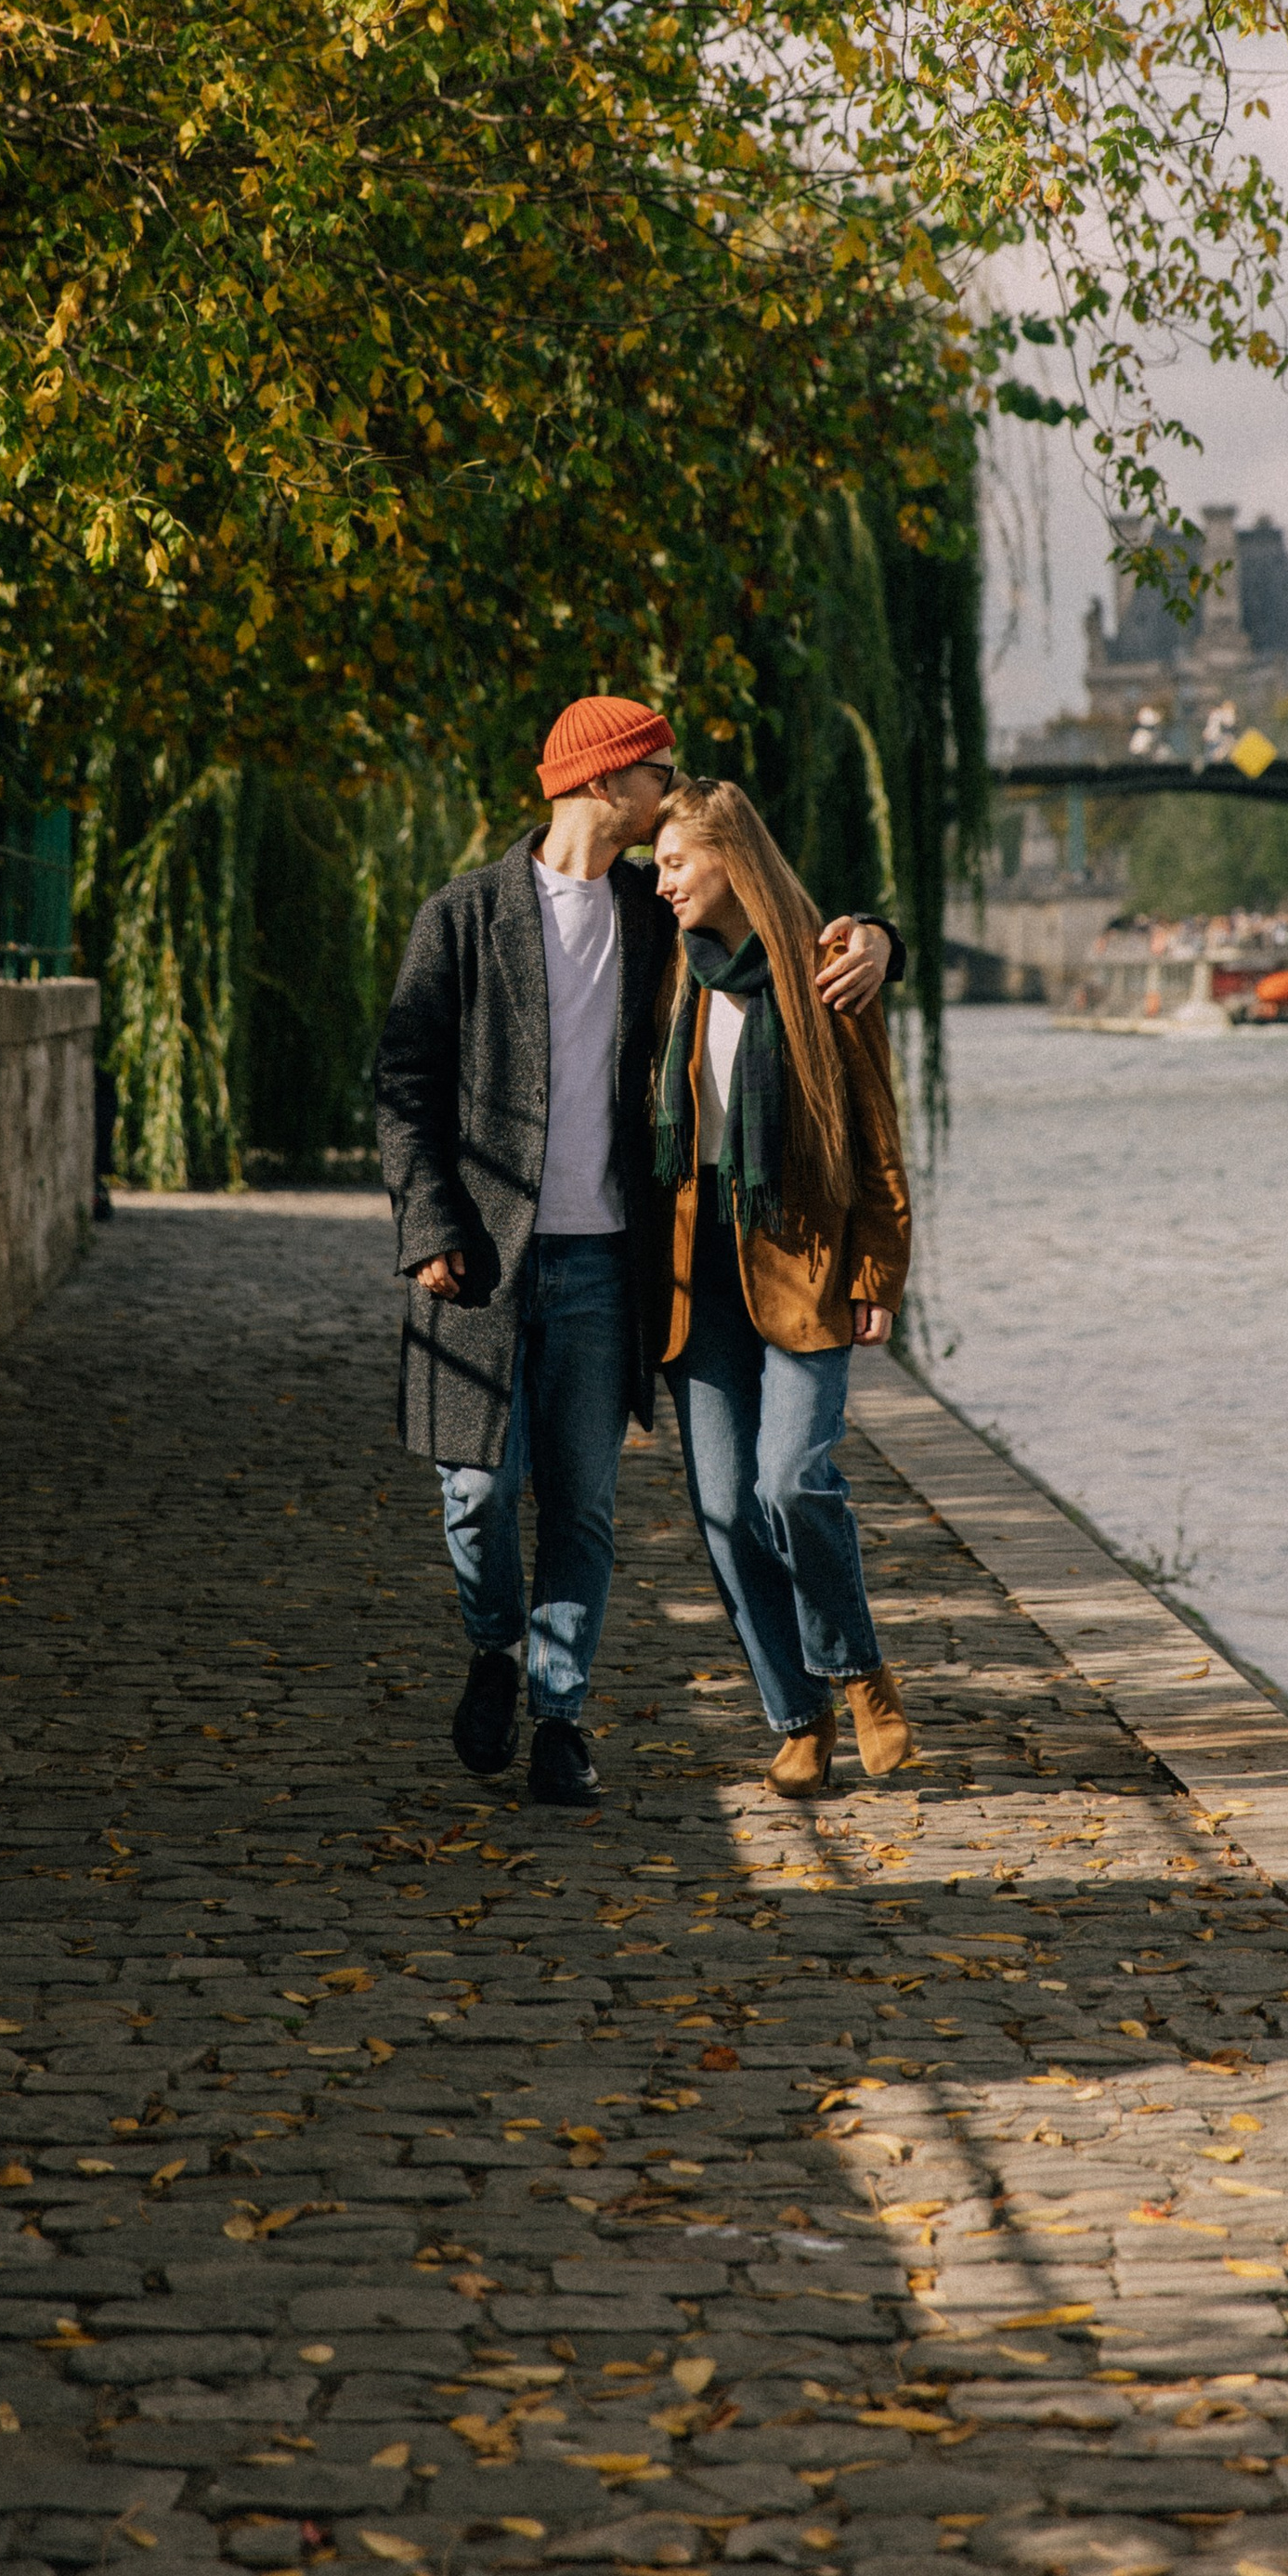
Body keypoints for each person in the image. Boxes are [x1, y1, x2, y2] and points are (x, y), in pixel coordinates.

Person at [374, 697, 901, 1810]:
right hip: (480, 1258)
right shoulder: (462, 916)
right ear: (610, 782)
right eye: (662, 772)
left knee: (582, 1507)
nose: (677, 789)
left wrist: (882, 940)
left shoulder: (656, 915)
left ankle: (560, 1716)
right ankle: (493, 1647)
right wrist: (427, 1224)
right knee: (474, 1493)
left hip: (610, 1265)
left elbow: (773, 922)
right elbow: (405, 1088)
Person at [647, 775, 916, 1802]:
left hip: (799, 1257)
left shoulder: (824, 971)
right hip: (693, 1272)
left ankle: (860, 1674)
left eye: (678, 862)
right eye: (660, 864)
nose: (662, 881)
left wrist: (878, 1270)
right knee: (721, 1507)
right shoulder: (669, 969)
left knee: (789, 1479)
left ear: (733, 858)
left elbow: (879, 1142)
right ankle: (796, 1716)